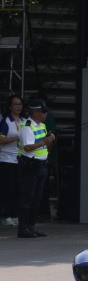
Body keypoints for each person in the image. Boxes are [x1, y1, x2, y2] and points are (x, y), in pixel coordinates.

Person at [17, 98, 55, 239]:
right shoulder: (27, 126)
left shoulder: (42, 126)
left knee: (37, 199)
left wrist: (50, 141)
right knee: (27, 199)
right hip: (30, 165)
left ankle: (31, 227)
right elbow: (27, 148)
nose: (45, 114)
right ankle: (23, 229)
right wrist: (44, 141)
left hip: (41, 165)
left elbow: (47, 148)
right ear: (35, 112)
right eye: (43, 111)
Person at [0, 95, 22, 226]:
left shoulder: (24, 121)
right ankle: (7, 215)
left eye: (20, 104)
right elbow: (1, 139)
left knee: (18, 189)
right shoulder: (6, 121)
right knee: (8, 189)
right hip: (6, 158)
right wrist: (15, 138)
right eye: (15, 104)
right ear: (10, 107)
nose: (18, 106)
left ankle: (15, 214)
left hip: (19, 159)